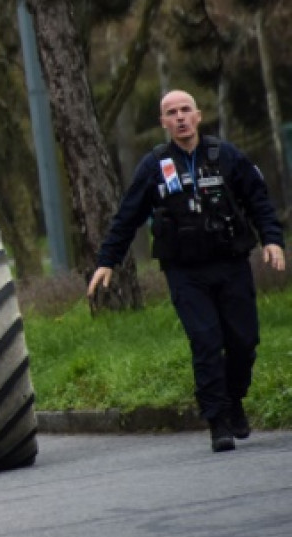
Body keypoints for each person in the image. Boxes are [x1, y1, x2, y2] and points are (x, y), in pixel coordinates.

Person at [88, 89, 285, 452]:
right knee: (206, 341)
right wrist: (107, 261)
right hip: (186, 273)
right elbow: (127, 217)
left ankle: (234, 399)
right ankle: (218, 421)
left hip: (230, 264)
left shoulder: (225, 156)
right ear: (163, 122)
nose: (179, 117)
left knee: (244, 341)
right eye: (171, 112)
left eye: (185, 110)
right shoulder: (154, 166)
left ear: (198, 115)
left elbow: (258, 199)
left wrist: (272, 241)